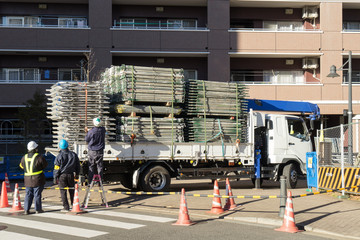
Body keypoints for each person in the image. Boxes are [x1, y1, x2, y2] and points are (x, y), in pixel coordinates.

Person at [19, 141, 48, 215]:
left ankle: (26, 209)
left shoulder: (24, 157)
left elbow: (21, 166)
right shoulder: (39, 157)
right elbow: (44, 165)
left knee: (28, 194)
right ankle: (38, 209)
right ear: (35, 148)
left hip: (27, 180)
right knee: (37, 194)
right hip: (38, 179)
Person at [53, 139, 80, 212]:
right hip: (71, 175)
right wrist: (77, 175)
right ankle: (74, 204)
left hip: (62, 176)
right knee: (72, 190)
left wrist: (55, 177)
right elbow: (78, 166)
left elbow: (56, 168)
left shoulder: (59, 156)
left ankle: (66, 207)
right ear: (67, 145)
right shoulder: (73, 154)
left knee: (63, 191)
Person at [85, 117, 106, 184]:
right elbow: (97, 130)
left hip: (92, 151)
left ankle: (90, 181)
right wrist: (89, 130)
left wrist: (87, 131)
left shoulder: (91, 132)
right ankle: (100, 181)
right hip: (100, 151)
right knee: (99, 166)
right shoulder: (103, 130)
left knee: (91, 166)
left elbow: (87, 139)